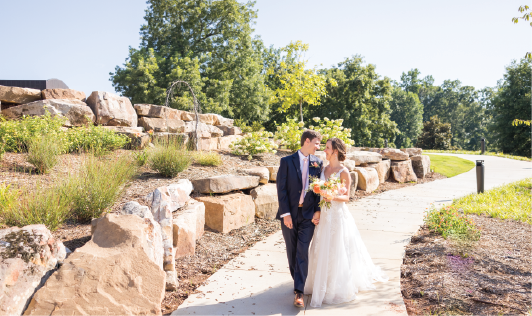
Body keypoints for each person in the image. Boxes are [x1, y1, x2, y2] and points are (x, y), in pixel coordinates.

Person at [304, 137, 389, 308]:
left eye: (327, 148)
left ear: (335, 151)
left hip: (336, 216)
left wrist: (331, 196)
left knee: (337, 249)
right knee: (321, 247)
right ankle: (319, 283)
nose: (325, 150)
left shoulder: (343, 172)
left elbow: (346, 197)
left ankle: (334, 286)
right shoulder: (323, 168)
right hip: (324, 215)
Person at [276, 129, 323, 308]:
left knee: (303, 251)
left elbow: (320, 189)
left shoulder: (318, 163)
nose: (318, 147)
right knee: (292, 251)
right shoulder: (287, 161)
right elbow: (281, 190)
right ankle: (297, 281)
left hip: (308, 216)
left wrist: (317, 211)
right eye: (317, 143)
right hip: (290, 214)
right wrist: (286, 214)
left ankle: (299, 292)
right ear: (307, 141)